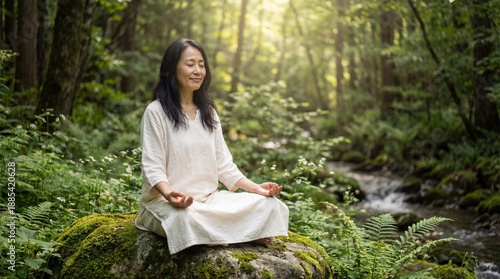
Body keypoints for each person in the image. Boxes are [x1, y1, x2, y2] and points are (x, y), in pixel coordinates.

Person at [134, 38, 289, 255]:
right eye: (190, 64)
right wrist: (170, 195)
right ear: (172, 68)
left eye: (201, 64)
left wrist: (256, 189)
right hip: (166, 203)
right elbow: (153, 166)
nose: (197, 70)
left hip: (210, 200)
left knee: (269, 205)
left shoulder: (209, 113)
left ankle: (219, 235)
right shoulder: (156, 112)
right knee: (184, 219)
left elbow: (224, 165)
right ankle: (242, 234)